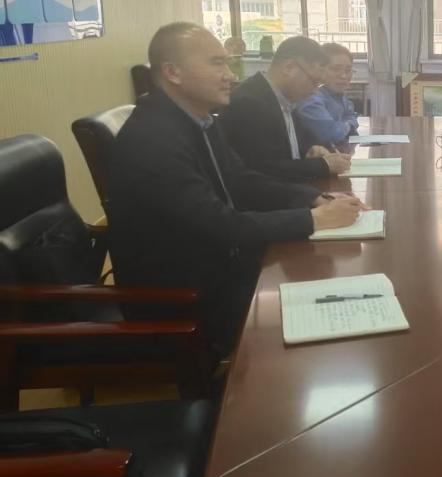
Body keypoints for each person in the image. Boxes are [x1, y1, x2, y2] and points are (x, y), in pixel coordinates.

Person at [107, 22, 367, 354]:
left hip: (221, 267)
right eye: (217, 63)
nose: (230, 75)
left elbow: (242, 179)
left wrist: (315, 197)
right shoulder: (154, 141)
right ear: (173, 72)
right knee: (336, 329)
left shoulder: (198, 120)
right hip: (190, 298)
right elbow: (221, 225)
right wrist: (314, 219)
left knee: (343, 288)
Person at [219, 36, 351, 181]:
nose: (315, 91)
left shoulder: (284, 98)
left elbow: (289, 149)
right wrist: (323, 165)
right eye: (314, 81)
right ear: (289, 67)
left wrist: (310, 149)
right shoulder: (249, 102)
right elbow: (263, 169)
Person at [295, 43, 361, 146]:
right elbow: (331, 134)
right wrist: (349, 125)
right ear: (319, 70)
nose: (343, 76)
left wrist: (344, 125)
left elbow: (352, 116)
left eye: (348, 70)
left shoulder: (339, 95)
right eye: (336, 69)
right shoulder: (310, 98)